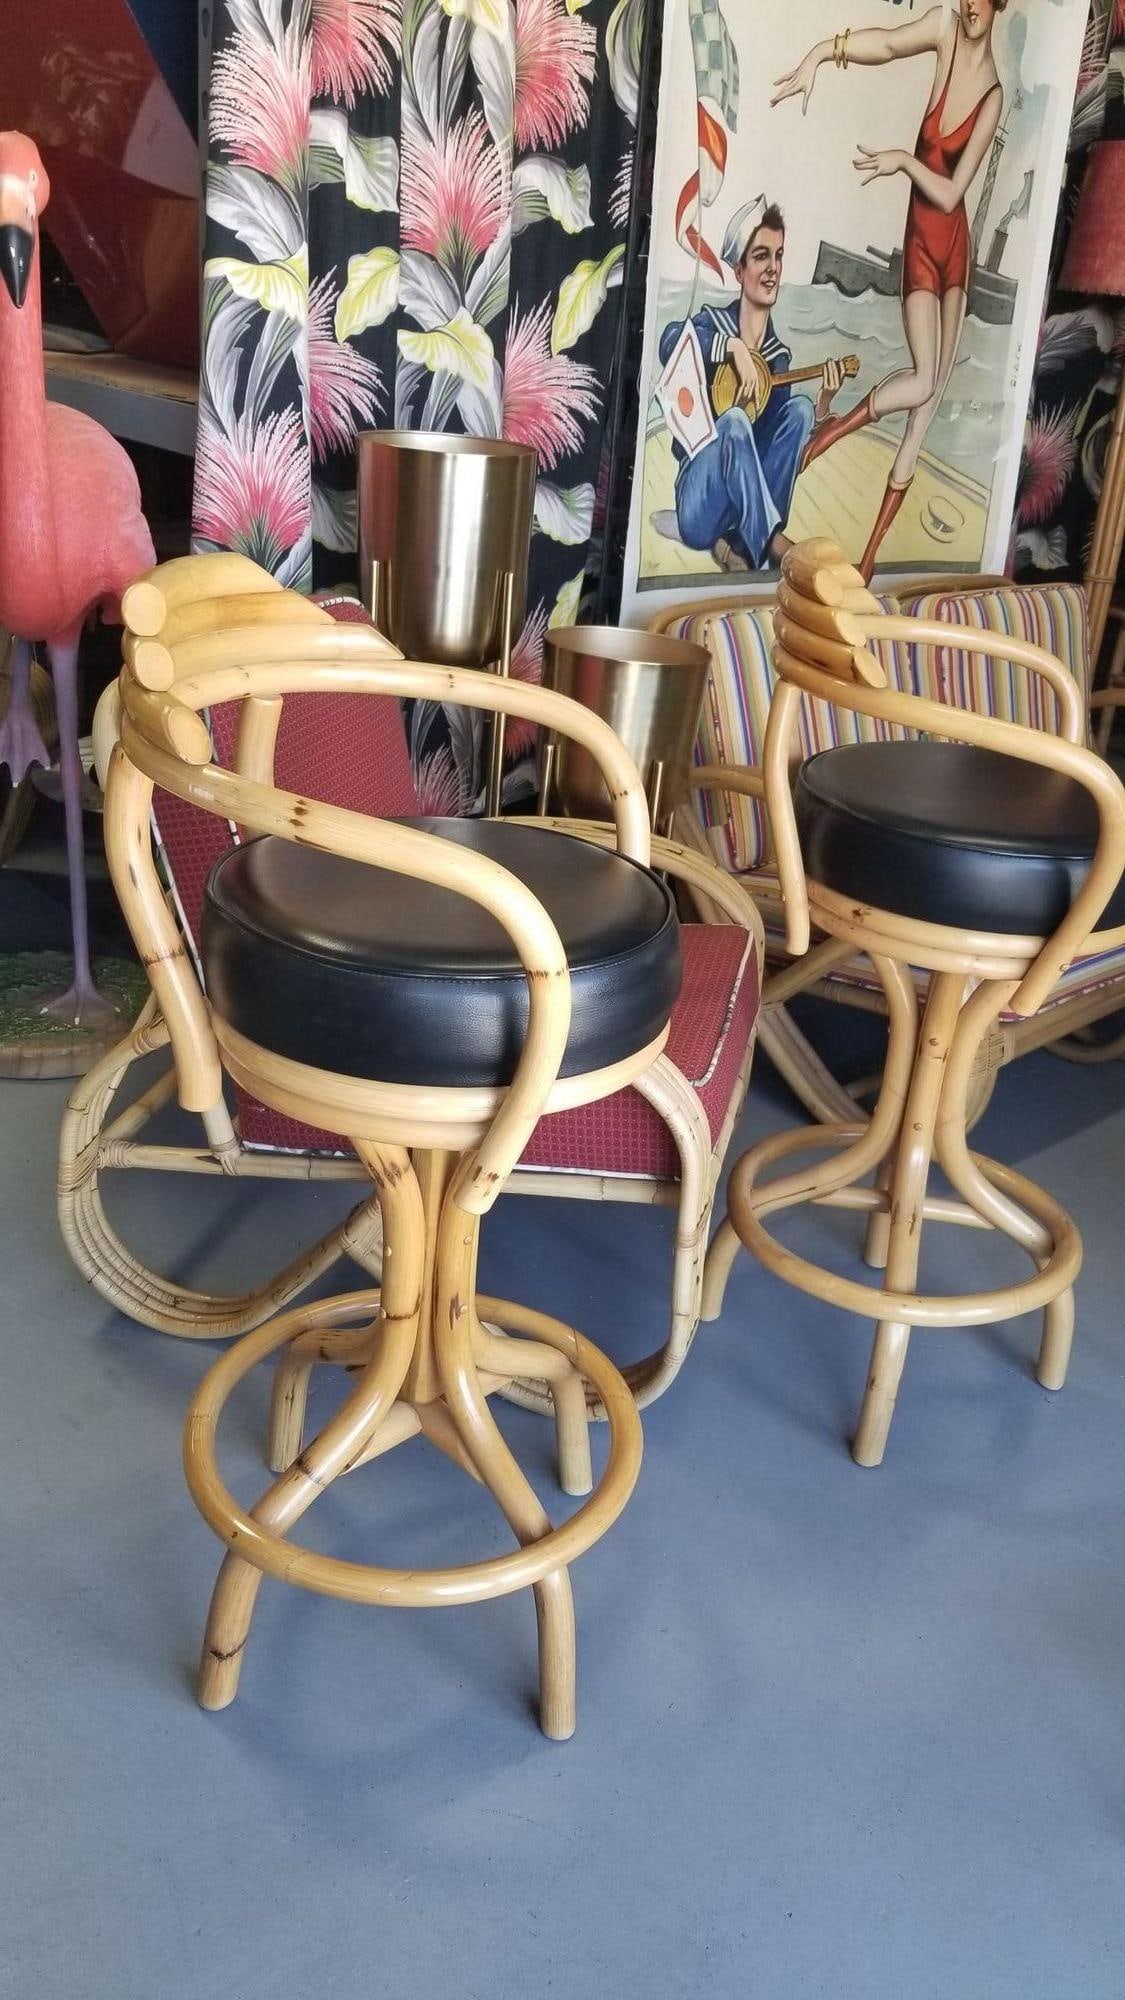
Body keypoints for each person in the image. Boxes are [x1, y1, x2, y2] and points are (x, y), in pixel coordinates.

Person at [773, 1, 1005, 579]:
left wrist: (903, 159)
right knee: (923, 378)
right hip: (923, 247)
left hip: (957, 251)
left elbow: (952, 197)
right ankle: (832, 432)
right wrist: (820, 54)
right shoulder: (943, 32)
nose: (969, 5)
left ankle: (869, 562)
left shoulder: (994, 95)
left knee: (923, 414)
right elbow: (887, 43)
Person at [658, 200, 846, 572]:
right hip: (700, 503)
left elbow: (780, 456)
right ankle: (772, 540)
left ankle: (743, 548)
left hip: (738, 510)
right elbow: (669, 341)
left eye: (778, 256)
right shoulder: (712, 323)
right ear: (739, 269)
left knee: (801, 410)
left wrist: (823, 405)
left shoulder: (777, 358)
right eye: (761, 257)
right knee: (732, 422)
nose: (773, 268)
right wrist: (731, 346)